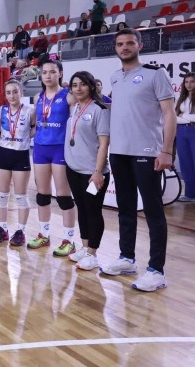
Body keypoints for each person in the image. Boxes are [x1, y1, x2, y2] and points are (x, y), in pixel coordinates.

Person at [100, 28, 177, 292]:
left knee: (153, 212)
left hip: (147, 152)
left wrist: (167, 151)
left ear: (139, 45)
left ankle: (156, 270)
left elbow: (169, 114)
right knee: (125, 208)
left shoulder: (156, 74)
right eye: (120, 44)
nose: (124, 47)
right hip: (119, 152)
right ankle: (127, 258)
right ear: (115, 48)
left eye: (129, 43)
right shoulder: (115, 77)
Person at [28, 58, 77, 256]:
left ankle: (69, 240)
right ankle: (44, 234)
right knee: (42, 194)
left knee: (63, 196)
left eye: (52, 72)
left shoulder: (69, 96)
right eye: (45, 72)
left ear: (60, 74)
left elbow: (76, 123)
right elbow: (36, 124)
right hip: (40, 148)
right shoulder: (37, 97)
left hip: (60, 149)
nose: (48, 76)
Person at [64, 71, 110, 271]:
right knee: (81, 209)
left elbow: (104, 143)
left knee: (93, 211)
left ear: (91, 86)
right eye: (74, 85)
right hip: (74, 169)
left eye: (82, 84)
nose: (78, 88)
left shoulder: (99, 109)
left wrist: (98, 171)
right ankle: (84, 247)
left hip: (93, 172)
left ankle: (93, 253)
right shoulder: (75, 107)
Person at [0, 79, 34, 246]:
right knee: (2, 194)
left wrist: (25, 137)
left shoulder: (30, 111)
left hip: (21, 154)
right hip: (3, 153)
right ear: (5, 95)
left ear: (21, 93)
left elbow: (35, 127)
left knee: (21, 196)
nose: (12, 95)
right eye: (8, 92)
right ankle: (3, 228)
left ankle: (20, 231)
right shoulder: (2, 110)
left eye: (15, 92)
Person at [175, 72, 195, 202]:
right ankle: (190, 194)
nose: (189, 84)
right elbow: (174, 116)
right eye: (186, 82)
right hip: (181, 131)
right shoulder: (181, 97)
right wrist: (186, 118)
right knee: (185, 163)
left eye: (192, 81)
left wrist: (183, 116)